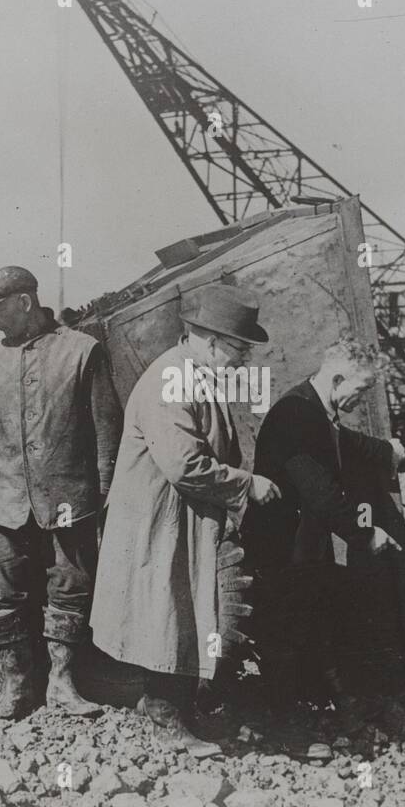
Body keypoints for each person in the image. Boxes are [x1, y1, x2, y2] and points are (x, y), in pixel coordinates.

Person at [92, 285, 280, 756]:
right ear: (211, 340)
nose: (242, 360)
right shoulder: (169, 381)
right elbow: (184, 465)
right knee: (166, 613)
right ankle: (164, 718)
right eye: (239, 348)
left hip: (181, 519)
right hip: (158, 522)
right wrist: (245, 484)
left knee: (182, 612)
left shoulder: (194, 377)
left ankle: (178, 709)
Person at [0, 266, 123, 719]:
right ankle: (14, 684)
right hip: (5, 502)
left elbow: (107, 431)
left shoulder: (83, 351)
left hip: (70, 501)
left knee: (69, 589)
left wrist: (104, 496)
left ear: (25, 302)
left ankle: (62, 684)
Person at [244, 336, 405, 726]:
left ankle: (316, 709)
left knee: (312, 624)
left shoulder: (313, 407)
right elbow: (321, 494)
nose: (360, 400)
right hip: (281, 548)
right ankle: (285, 727)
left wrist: (384, 451)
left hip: (300, 545)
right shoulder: (296, 414)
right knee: (285, 635)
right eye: (360, 390)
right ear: (339, 378)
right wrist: (365, 534)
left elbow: (341, 440)